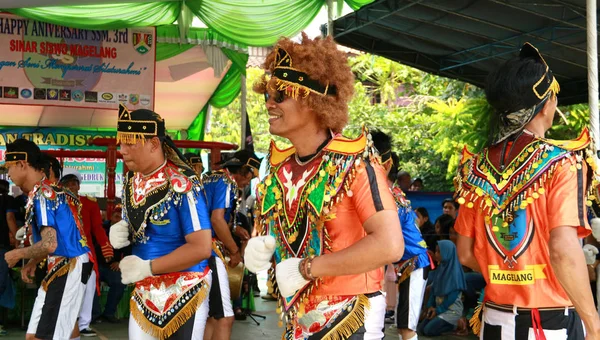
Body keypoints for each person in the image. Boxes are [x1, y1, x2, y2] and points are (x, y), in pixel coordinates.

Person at [245, 33, 404, 339]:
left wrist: (307, 268)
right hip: (298, 320)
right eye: (268, 94)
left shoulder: (356, 163)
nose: (269, 103)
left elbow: (390, 245)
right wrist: (263, 247)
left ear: (313, 99)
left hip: (350, 317)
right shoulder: (279, 169)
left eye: (281, 95)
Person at [454, 42, 600, 339]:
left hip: (494, 319)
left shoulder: (475, 168)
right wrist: (593, 322)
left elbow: (466, 253)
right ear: (546, 104)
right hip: (549, 323)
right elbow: (563, 251)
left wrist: (508, 274)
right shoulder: (561, 163)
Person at [109, 104, 213, 339]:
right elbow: (140, 230)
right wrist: (122, 233)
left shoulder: (183, 184)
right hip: (144, 292)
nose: (122, 150)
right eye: (121, 142)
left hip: (185, 290)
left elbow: (201, 247)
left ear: (154, 144)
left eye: (130, 142)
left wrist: (148, 268)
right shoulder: (129, 181)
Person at [3, 138, 92, 340]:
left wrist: (18, 254)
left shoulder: (43, 194)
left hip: (68, 266)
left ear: (22, 164)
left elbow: (50, 243)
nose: (8, 174)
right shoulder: (46, 191)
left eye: (9, 167)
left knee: (47, 336)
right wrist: (33, 261)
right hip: (63, 266)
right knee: (38, 335)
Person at [372, 130, 430, 340]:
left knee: (406, 327)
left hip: (414, 263)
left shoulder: (388, 195)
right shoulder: (393, 192)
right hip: (409, 264)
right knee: (402, 324)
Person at [200, 149, 258, 340]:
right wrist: (234, 251)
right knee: (225, 317)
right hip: (210, 250)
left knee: (210, 316)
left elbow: (210, 215)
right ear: (243, 170)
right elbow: (216, 220)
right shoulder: (226, 182)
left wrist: (232, 228)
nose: (248, 182)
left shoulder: (209, 177)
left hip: (198, 248)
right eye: (250, 176)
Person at [60, 169, 114, 337]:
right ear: (61, 185)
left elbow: (98, 229)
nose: (71, 186)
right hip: (63, 252)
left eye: (74, 183)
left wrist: (106, 248)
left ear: (79, 185)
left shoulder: (89, 203)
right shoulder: (57, 202)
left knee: (88, 286)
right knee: (66, 288)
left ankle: (84, 324)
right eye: (67, 183)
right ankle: (67, 322)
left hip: (86, 252)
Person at [417, 240, 466, 337]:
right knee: (421, 329)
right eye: (436, 251)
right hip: (439, 309)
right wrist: (430, 306)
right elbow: (433, 291)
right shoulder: (440, 269)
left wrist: (438, 310)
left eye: (439, 252)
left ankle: (455, 324)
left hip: (451, 311)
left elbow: (452, 298)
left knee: (428, 331)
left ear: (447, 252)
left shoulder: (455, 273)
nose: (436, 254)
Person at [92, 204, 128, 324]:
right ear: (111, 216)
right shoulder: (101, 227)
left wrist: (120, 263)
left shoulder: (126, 231)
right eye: (115, 214)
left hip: (112, 267)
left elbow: (129, 252)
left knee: (120, 282)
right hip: (95, 265)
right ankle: (94, 314)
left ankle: (109, 313)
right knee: (91, 283)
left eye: (120, 215)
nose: (117, 217)